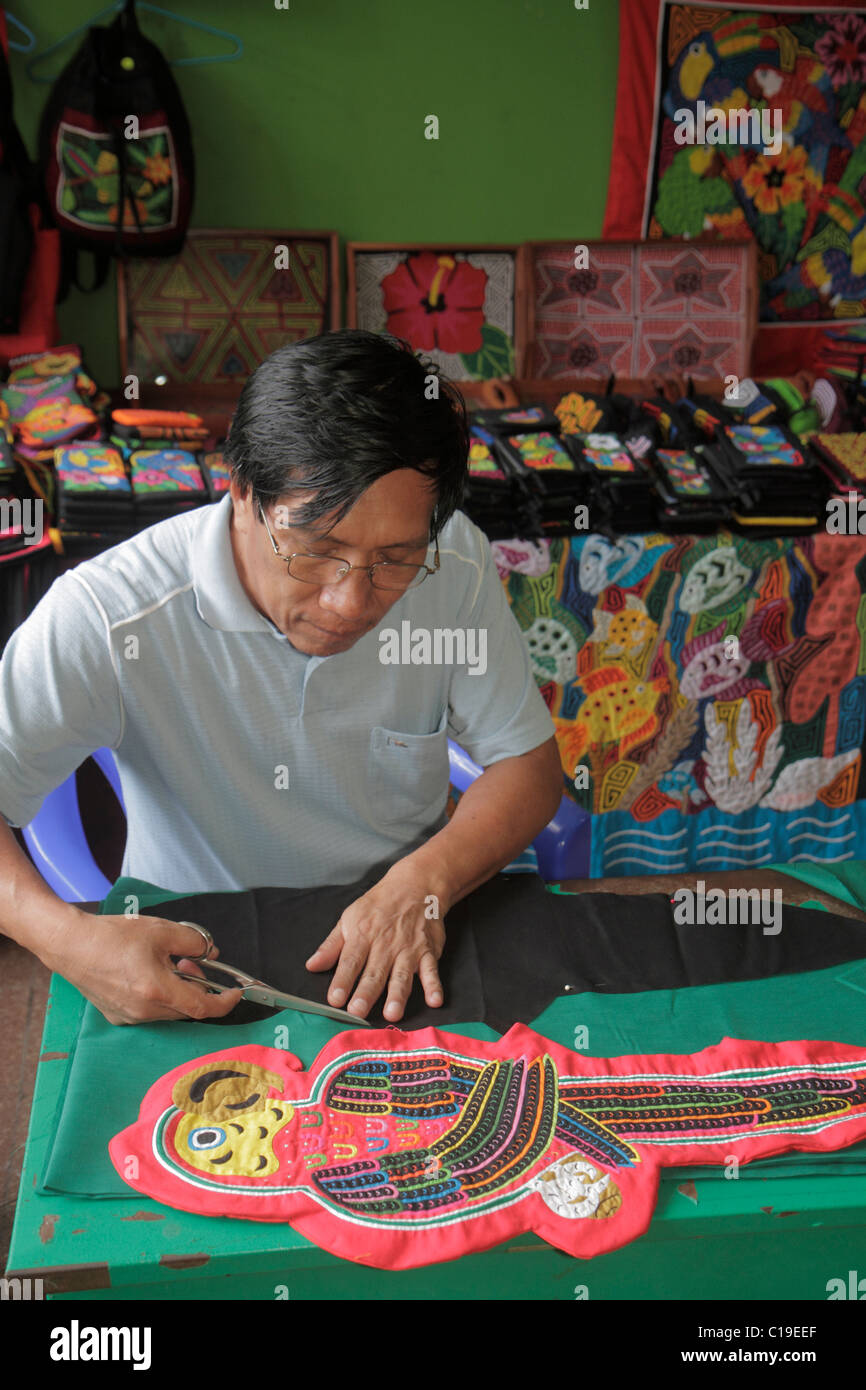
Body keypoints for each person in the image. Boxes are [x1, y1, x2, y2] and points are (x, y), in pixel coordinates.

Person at [0, 331, 562, 1026]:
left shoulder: (456, 565)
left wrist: (424, 882)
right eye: (316, 552)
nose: (349, 603)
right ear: (241, 492)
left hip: (401, 938)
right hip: (196, 957)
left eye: (394, 560)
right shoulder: (113, 616)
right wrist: (67, 941)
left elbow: (529, 765)